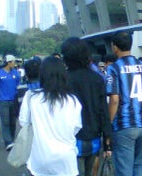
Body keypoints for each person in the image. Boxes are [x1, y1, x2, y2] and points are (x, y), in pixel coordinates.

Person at [106, 31, 142, 176]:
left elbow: (114, 99)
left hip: (124, 124)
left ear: (114, 47)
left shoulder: (114, 68)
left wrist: (108, 125)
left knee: (124, 168)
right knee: (138, 163)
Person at [19, 57, 82, 176]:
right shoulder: (72, 100)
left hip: (40, 158)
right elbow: (76, 127)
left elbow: (23, 123)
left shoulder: (31, 97)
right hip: (66, 159)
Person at [61, 37, 112, 176]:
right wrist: (107, 138)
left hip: (69, 138)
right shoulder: (97, 78)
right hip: (93, 135)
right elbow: (103, 111)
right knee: (89, 171)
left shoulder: (63, 80)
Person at [0, 54, 21, 151]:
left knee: (13, 122)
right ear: (8, 62)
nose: (15, 64)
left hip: (14, 101)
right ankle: (8, 141)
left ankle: (11, 140)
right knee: (5, 122)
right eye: (13, 62)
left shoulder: (16, 73)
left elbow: (18, 87)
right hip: (3, 101)